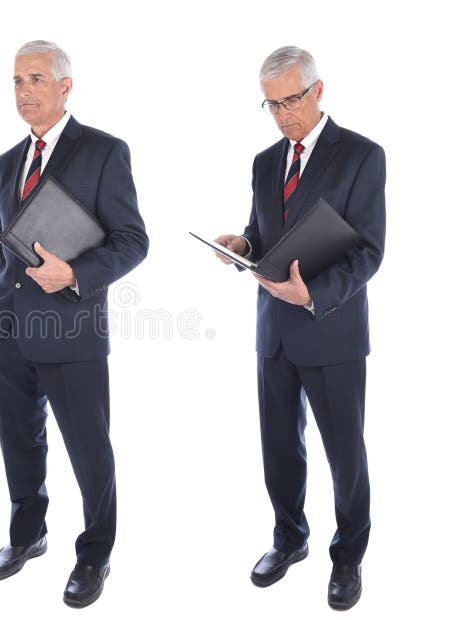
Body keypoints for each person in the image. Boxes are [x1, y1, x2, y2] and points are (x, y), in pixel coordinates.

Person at [214, 46, 385, 611]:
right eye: (271, 105)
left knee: (344, 454)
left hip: (331, 331)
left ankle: (348, 557)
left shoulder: (361, 155)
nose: (283, 113)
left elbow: (368, 252)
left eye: (291, 100)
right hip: (274, 333)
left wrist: (316, 294)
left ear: (317, 91)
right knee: (279, 449)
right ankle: (289, 539)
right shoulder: (265, 162)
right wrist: (242, 246)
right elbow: (262, 234)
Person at [0, 40, 148, 608]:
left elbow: (133, 241)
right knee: (18, 442)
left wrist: (75, 274)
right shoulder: (7, 162)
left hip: (71, 328)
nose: (25, 92)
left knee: (89, 447)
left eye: (36, 80)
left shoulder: (103, 152)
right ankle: (28, 534)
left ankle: (95, 551)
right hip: (6, 331)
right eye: (17, 82)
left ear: (65, 86)